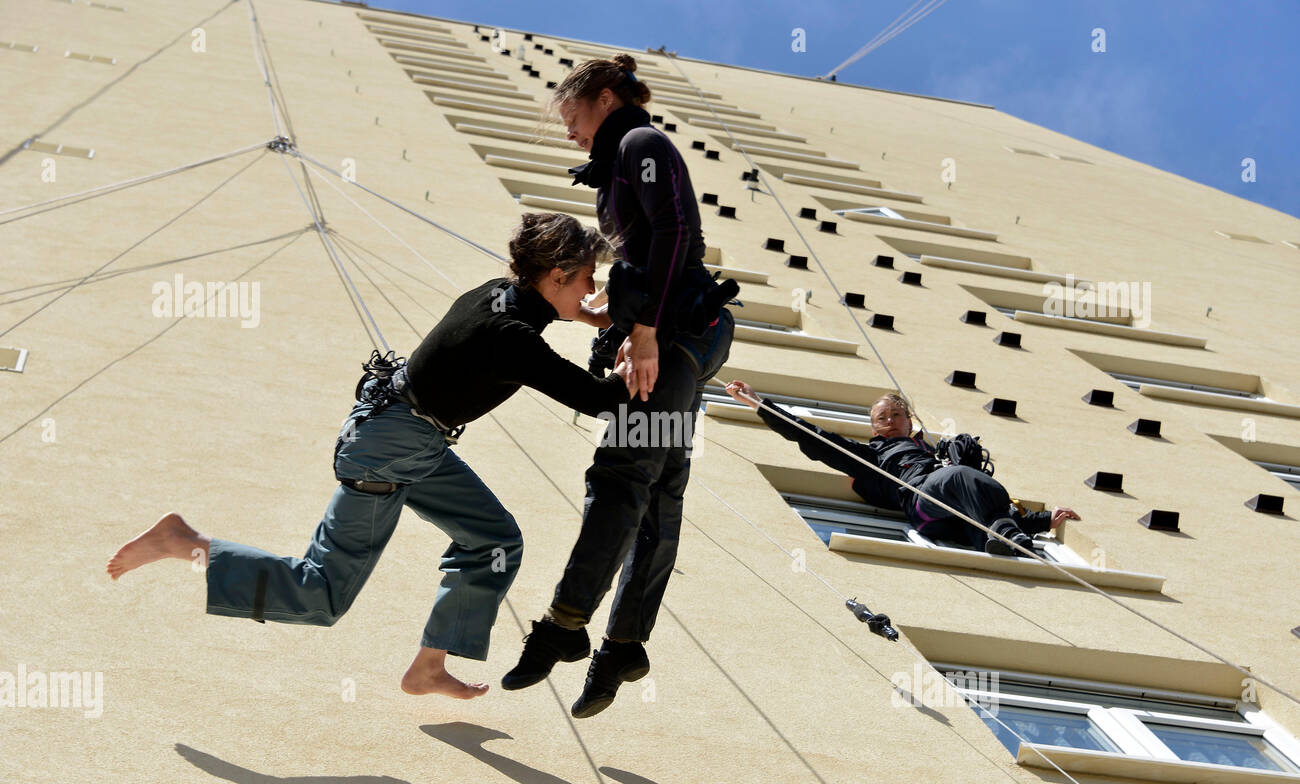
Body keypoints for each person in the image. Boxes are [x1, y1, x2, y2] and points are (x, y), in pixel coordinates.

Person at [105, 213, 632, 700]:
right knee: (319, 594)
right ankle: (186, 544)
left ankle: (428, 666)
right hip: (390, 451)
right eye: (588, 277)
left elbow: (530, 333)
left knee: (494, 538)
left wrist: (583, 318)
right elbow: (598, 399)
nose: (593, 290)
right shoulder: (513, 336)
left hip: (407, 438)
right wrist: (649, 354)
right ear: (558, 275)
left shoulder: (496, 295)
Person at [501, 54, 734, 718]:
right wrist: (617, 313)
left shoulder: (640, 141)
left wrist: (648, 332)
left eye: (571, 117)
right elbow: (648, 254)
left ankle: (564, 625)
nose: (571, 134)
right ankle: (624, 644)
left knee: (625, 470)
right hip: (684, 337)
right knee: (658, 485)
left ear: (603, 99)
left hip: (683, 335)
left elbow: (675, 233)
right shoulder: (623, 157)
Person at [724, 381, 1080, 553]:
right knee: (959, 477)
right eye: (882, 417)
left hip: (953, 517)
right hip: (922, 505)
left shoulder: (937, 455)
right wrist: (760, 404)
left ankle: (1001, 542)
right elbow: (818, 439)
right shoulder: (877, 456)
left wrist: (1045, 520)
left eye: (896, 414)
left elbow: (990, 503)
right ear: (874, 427)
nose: (890, 420)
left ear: (910, 421)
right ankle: (1006, 536)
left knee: (982, 491)